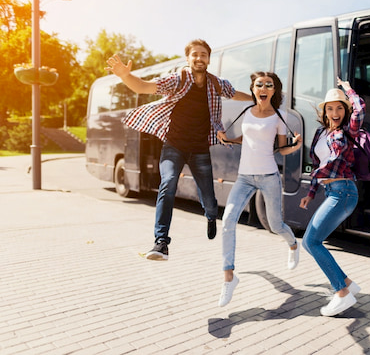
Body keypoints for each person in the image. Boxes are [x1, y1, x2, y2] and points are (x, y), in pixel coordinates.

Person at [105, 39, 252, 261]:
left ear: (208, 60)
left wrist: (259, 102)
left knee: (210, 200)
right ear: (188, 58)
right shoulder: (178, 79)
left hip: (200, 148)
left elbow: (235, 94)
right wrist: (125, 76)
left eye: (203, 55)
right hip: (174, 146)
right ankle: (161, 242)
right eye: (195, 54)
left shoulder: (216, 84)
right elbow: (144, 87)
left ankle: (211, 216)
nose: (199, 58)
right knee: (168, 182)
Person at [217, 71, 303, 307]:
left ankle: (293, 244)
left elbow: (282, 149)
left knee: (275, 225)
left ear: (274, 91)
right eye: (259, 85)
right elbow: (247, 139)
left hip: (269, 177)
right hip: (244, 177)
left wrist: (296, 146)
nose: (263, 88)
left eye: (269, 85)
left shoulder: (279, 116)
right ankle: (228, 278)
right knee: (227, 221)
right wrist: (228, 139)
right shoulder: (246, 112)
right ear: (253, 89)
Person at [299, 78, 365, 316]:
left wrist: (347, 89)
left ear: (344, 111)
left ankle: (342, 293)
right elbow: (318, 163)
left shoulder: (348, 131)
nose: (335, 112)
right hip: (332, 191)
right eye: (330, 108)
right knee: (311, 241)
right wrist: (310, 193)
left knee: (311, 242)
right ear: (324, 111)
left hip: (345, 191)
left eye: (340, 108)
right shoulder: (320, 133)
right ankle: (346, 284)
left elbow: (360, 108)